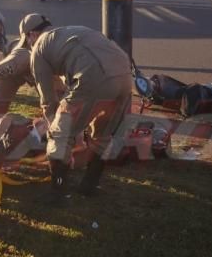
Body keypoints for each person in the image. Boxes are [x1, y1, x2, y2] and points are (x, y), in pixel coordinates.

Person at [19, 13, 133, 200]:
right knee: (103, 135)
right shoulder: (70, 33)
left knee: (59, 135)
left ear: (31, 34)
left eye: (27, 42)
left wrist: (55, 126)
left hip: (94, 76)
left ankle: (57, 192)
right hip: (125, 76)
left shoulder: (39, 47)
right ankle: (90, 185)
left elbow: (48, 99)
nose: (29, 46)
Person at [0, 39, 67, 130]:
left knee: (57, 108)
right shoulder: (19, 59)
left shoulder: (55, 57)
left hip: (41, 68)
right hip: (16, 65)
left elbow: (60, 98)